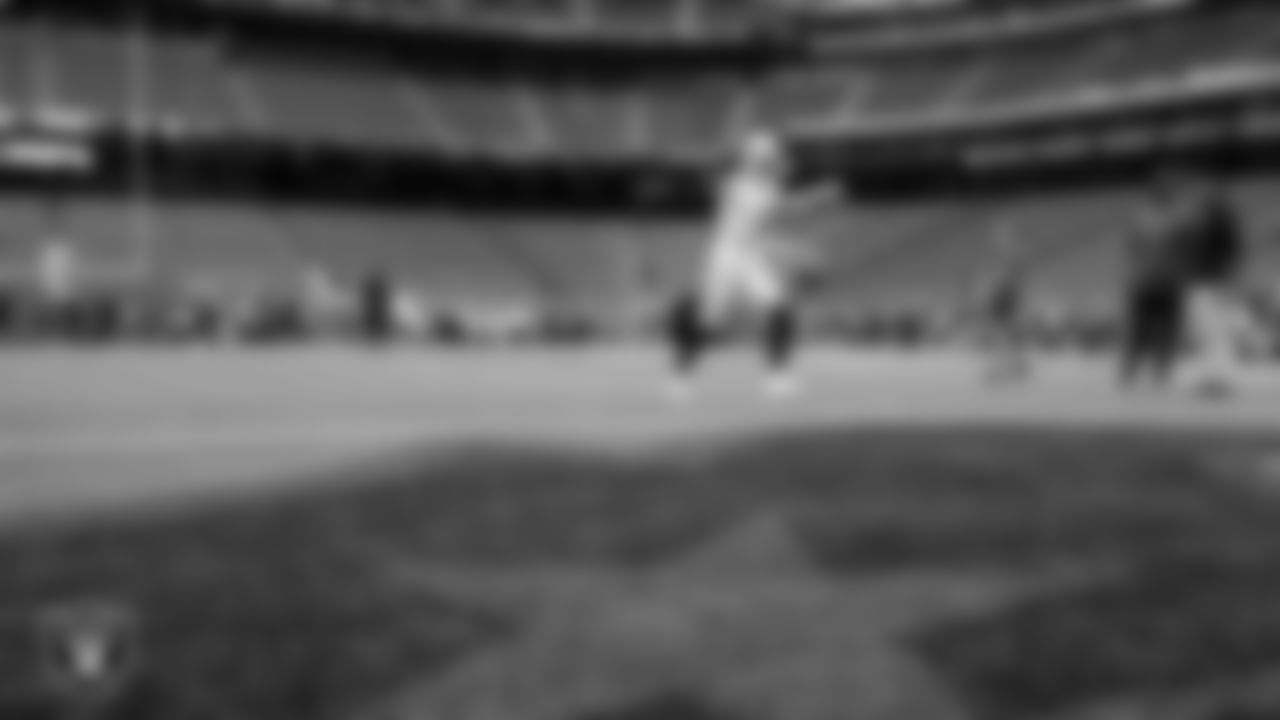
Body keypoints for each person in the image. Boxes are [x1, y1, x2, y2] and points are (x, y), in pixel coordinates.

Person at [666, 129, 839, 401]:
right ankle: (681, 376)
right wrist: (821, 196)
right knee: (709, 321)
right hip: (726, 255)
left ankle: (778, 377)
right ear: (757, 161)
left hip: (748, 254)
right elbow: (789, 207)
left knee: (778, 307)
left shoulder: (754, 184)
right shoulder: (746, 187)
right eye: (770, 160)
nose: (777, 164)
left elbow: (779, 195)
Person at [975, 221, 1032, 384]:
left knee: (1004, 336)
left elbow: (1013, 277)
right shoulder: (1005, 259)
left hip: (1006, 299)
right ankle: (1014, 368)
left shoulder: (1012, 257)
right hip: (1003, 299)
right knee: (1004, 336)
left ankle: (1007, 369)